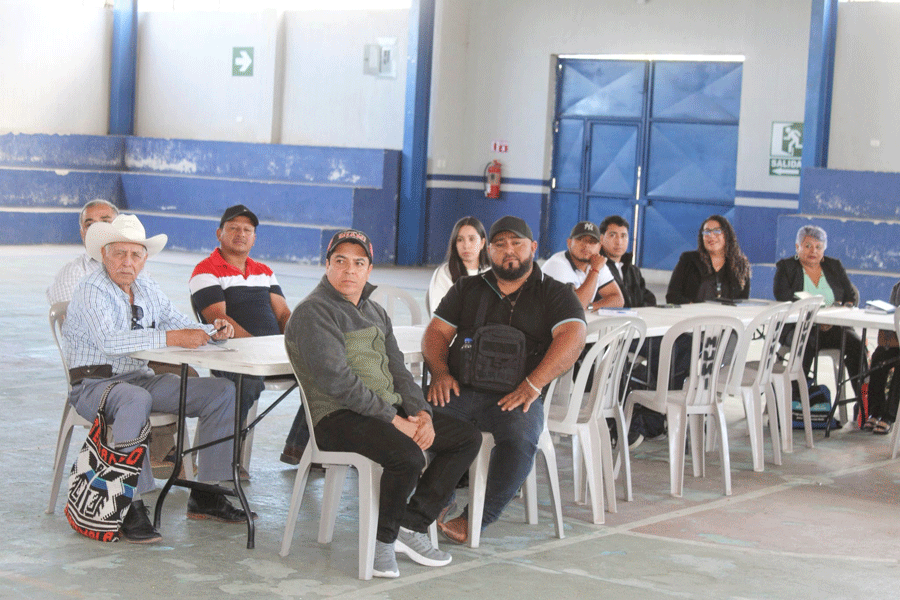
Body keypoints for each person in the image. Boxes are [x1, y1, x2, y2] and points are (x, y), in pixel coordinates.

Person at [284, 229, 481, 579]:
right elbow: (339, 383)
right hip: (336, 418)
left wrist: (421, 413)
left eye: (359, 263)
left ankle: (410, 524)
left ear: (369, 269)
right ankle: (382, 545)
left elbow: (399, 370)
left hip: (382, 412)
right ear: (327, 265)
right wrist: (397, 421)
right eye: (340, 261)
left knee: (466, 438)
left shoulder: (375, 311)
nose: (350, 270)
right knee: (407, 455)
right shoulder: (314, 312)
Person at [62, 214, 252, 544]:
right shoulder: (91, 289)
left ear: (145, 258)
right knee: (136, 399)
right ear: (104, 254)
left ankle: (207, 493)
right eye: (119, 253)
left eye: (135, 254)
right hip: (93, 384)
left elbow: (175, 322)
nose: (127, 262)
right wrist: (171, 338)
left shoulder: (146, 286)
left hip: (139, 378)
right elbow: (110, 341)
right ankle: (128, 504)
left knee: (222, 391)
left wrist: (213, 330)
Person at [423, 215, 586, 544]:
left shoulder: (555, 293)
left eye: (516, 243)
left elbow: (574, 337)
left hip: (516, 396)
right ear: (488, 250)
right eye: (500, 244)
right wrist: (440, 372)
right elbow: (436, 333)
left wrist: (533, 384)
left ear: (533, 247)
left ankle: (477, 517)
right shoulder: (467, 288)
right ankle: (436, 499)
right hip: (460, 390)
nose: (508, 250)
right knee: (417, 421)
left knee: (519, 441)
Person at [47, 198, 178, 476]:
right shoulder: (78, 277)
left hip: (136, 361)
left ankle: (163, 454)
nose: (96, 227)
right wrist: (159, 338)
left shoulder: (140, 275)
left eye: (104, 222)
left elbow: (162, 317)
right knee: (139, 393)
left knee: (186, 378)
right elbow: (94, 336)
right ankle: (139, 466)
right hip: (98, 367)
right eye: (89, 223)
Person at [189, 204, 303, 469]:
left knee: (329, 371)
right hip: (232, 355)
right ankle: (222, 460)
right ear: (219, 233)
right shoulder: (205, 270)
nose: (240, 234)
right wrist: (258, 349)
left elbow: (283, 314)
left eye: (247, 230)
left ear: (254, 237)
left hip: (270, 352)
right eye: (233, 228)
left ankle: (299, 446)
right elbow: (218, 319)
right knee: (247, 383)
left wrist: (298, 342)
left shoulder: (264, 271)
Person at [773, 224, 863, 399]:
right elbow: (782, 296)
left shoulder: (834, 266)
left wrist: (838, 313)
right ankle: (796, 398)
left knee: (856, 344)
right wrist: (815, 319)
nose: (813, 251)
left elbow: (851, 296)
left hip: (833, 328)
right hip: (799, 328)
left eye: (818, 247)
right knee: (806, 339)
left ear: (823, 250)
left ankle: (864, 402)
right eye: (808, 246)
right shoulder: (786, 268)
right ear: (797, 247)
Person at [46, 199, 119, 305]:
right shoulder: (71, 275)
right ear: (83, 234)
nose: (97, 229)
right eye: (90, 224)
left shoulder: (138, 269)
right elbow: (71, 315)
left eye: (105, 222)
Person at [666, 215, 750, 304]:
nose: (711, 236)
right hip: (694, 312)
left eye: (717, 231)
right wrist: (693, 307)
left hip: (726, 313)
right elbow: (672, 296)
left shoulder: (740, 265)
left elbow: (742, 302)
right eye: (707, 232)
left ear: (726, 235)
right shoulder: (688, 260)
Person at [542, 221, 624, 309]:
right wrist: (595, 270)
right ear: (569, 243)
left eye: (592, 242)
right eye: (580, 239)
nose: (586, 245)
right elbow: (576, 306)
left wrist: (590, 307)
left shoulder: (597, 263)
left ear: (599, 247)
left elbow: (618, 300)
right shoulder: (556, 264)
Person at [427, 216, 490, 313]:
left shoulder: (491, 272)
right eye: (460, 240)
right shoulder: (445, 273)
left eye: (472, 239)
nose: (466, 246)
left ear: (482, 243)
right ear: (455, 244)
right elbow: (438, 314)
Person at [863, 281, 900, 435]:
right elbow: (891, 318)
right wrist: (887, 341)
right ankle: (875, 411)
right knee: (878, 356)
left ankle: (889, 416)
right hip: (897, 341)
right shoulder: (898, 287)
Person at [598, 215, 656, 308]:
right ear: (601, 238)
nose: (619, 242)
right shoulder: (596, 268)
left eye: (623, 236)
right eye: (612, 235)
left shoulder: (633, 271)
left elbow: (648, 299)